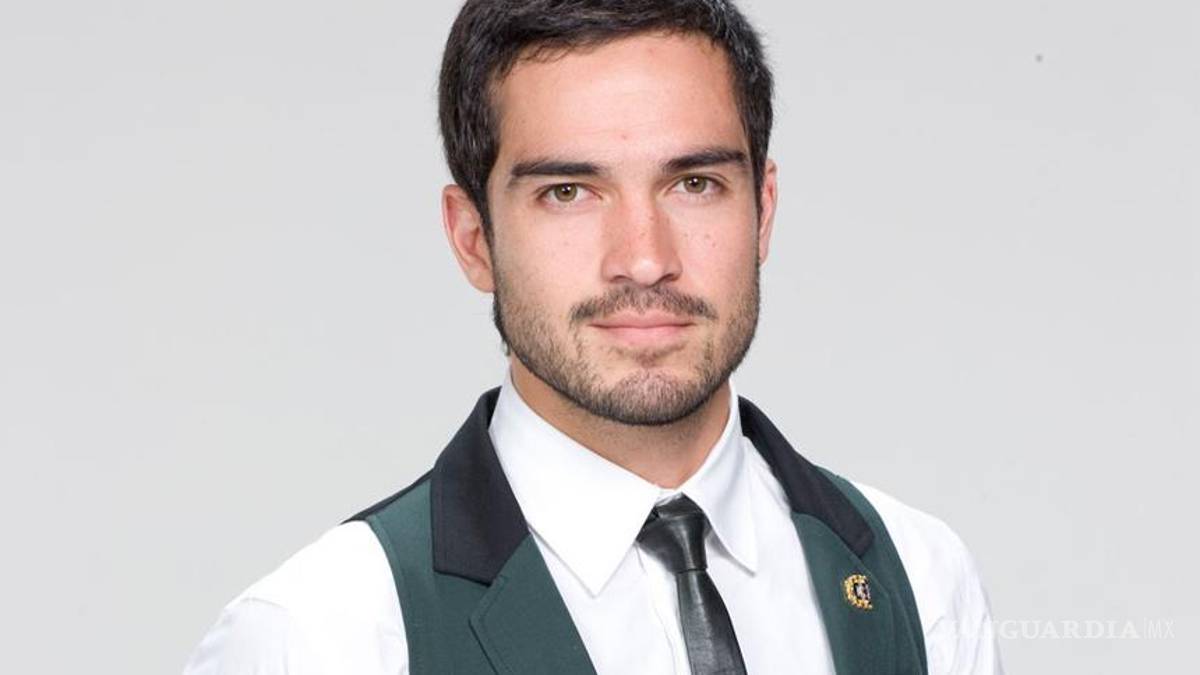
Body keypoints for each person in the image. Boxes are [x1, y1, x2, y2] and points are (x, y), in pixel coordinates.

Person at [184, 1, 1003, 673]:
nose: (644, 258)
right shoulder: (322, 636)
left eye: (694, 183)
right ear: (472, 238)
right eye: (568, 192)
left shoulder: (921, 578)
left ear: (763, 211)